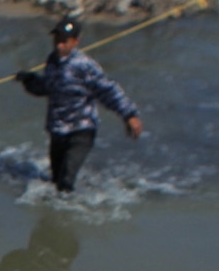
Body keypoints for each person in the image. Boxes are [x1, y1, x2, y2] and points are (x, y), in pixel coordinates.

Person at [15, 17, 143, 193]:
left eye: (64, 41)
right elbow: (47, 87)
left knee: (66, 182)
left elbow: (107, 90)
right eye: (57, 39)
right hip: (57, 130)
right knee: (55, 181)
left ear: (75, 41)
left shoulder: (85, 66)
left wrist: (129, 115)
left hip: (81, 130)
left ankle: (70, 214)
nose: (59, 44)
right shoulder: (52, 61)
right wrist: (29, 81)